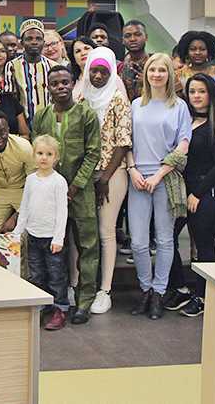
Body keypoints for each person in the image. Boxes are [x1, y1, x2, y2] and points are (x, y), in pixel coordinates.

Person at [125, 53, 192, 321]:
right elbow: (126, 141)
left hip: (166, 178)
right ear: (146, 74)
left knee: (165, 240)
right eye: (152, 70)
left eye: (162, 70)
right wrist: (132, 169)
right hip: (138, 179)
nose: (157, 74)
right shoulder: (135, 105)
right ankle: (145, 288)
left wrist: (159, 174)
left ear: (169, 75)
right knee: (139, 241)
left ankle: (158, 293)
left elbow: (183, 145)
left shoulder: (179, 106)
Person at [32, 66, 101, 324]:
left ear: (73, 84)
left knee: (88, 246)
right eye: (55, 83)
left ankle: (84, 302)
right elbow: (38, 152)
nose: (60, 87)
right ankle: (54, 303)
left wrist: (73, 188)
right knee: (54, 248)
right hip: (49, 195)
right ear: (47, 87)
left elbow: (93, 153)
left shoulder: (86, 114)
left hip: (80, 192)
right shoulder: (41, 116)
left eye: (65, 82)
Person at [77, 47, 131, 316]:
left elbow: (123, 142)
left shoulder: (119, 99)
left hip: (112, 173)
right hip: (84, 173)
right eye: (94, 71)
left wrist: (105, 178)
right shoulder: (81, 98)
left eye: (104, 72)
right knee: (81, 230)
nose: (98, 76)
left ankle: (104, 290)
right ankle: (76, 285)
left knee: (106, 231)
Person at [174, 73, 215, 318]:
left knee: (205, 245)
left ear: (211, 94)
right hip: (182, 187)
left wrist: (197, 193)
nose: (196, 96)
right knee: (168, 238)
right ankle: (180, 288)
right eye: (192, 91)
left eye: (202, 91)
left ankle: (204, 297)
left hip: (206, 189)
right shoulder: (184, 120)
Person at [10, 135, 69, 331]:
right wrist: (18, 232)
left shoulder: (58, 182)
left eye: (49, 154)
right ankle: (40, 307)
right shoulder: (30, 180)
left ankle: (60, 308)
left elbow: (62, 212)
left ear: (56, 158)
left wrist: (58, 238)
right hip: (33, 237)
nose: (44, 157)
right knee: (35, 275)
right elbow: (25, 207)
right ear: (34, 156)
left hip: (51, 238)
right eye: (40, 153)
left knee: (56, 275)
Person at [5, 19, 57, 127]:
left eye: (38, 39)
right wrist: (23, 128)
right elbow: (11, 101)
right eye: (29, 39)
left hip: (50, 125)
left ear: (43, 42)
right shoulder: (12, 66)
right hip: (23, 127)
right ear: (22, 43)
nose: (34, 42)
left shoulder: (53, 66)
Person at [119, 20, 151, 102]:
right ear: (123, 40)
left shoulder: (159, 63)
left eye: (138, 34)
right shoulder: (119, 69)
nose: (132, 39)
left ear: (146, 37)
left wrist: (149, 83)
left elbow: (176, 93)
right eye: (128, 36)